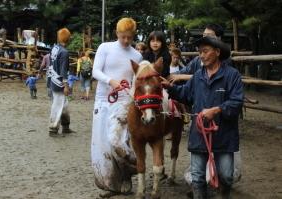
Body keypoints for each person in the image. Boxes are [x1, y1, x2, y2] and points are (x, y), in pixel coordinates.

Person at [161, 36, 244, 199]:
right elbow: (185, 94)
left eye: (205, 51)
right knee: (197, 177)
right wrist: (170, 88)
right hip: (199, 135)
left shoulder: (232, 75)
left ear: (218, 52)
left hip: (224, 134)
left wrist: (217, 109)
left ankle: (224, 195)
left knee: (226, 175)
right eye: (200, 52)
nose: (202, 56)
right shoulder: (198, 76)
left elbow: (236, 102)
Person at [91, 17, 142, 198]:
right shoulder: (105, 48)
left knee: (118, 141)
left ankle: (134, 169)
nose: (126, 41)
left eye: (129, 37)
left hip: (123, 102)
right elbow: (95, 71)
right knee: (103, 144)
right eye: (123, 37)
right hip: (103, 100)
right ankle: (113, 185)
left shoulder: (137, 56)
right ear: (117, 33)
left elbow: (136, 82)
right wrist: (110, 80)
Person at [47, 28, 74, 137]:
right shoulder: (64, 52)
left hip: (53, 79)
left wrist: (48, 81)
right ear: (68, 38)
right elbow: (63, 71)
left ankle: (65, 126)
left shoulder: (54, 48)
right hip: (59, 82)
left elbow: (50, 65)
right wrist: (66, 85)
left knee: (64, 105)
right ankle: (53, 129)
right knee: (58, 105)